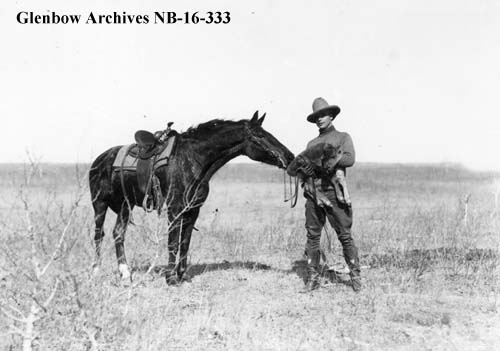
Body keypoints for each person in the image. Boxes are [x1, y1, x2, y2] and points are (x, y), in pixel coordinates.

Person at [288, 97, 361, 292]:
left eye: (323, 115)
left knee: (345, 236)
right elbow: (303, 166)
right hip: (314, 193)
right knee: (312, 236)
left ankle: (355, 277)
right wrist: (304, 169)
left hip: (334, 192)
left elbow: (349, 158)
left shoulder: (342, 137)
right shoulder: (312, 143)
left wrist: (326, 161)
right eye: (316, 117)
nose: (320, 119)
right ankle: (312, 278)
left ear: (331, 116)